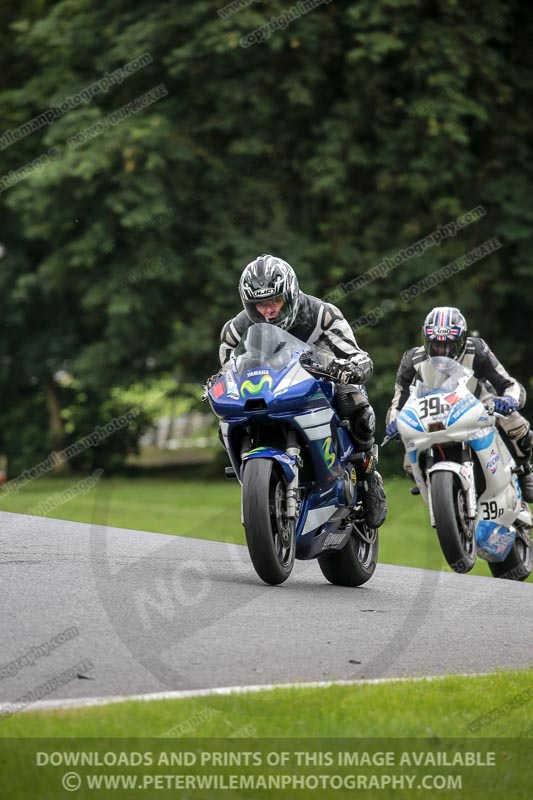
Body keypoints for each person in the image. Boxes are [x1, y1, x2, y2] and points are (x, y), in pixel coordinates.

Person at [218, 253, 387, 529]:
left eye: (274, 301)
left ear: (292, 294)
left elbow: (356, 354)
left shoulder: (322, 315)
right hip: (268, 389)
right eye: (258, 305)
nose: (268, 311)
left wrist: (353, 367)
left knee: (354, 402)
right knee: (227, 420)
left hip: (320, 382)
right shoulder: (234, 332)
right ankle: (254, 482)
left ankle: (369, 477)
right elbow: (229, 370)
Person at [385, 306, 533, 502]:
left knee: (516, 424)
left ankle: (524, 470)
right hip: (431, 413)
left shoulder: (477, 350)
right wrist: (393, 424)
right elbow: (398, 400)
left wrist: (508, 400)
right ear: (426, 340)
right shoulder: (412, 359)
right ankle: (436, 490)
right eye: (436, 344)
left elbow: (509, 384)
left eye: (449, 344)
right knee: (408, 463)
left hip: (477, 404)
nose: (443, 351)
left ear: (462, 339)